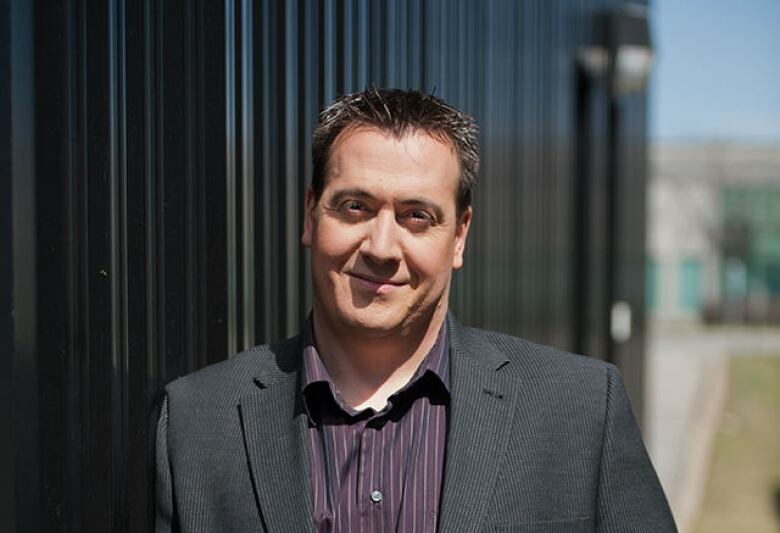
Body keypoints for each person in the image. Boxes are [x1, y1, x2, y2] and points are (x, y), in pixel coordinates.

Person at [155, 88, 676, 532]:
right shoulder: (197, 421)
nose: (382, 247)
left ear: (459, 235)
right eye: (355, 206)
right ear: (311, 215)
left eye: (417, 216)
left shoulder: (581, 409)